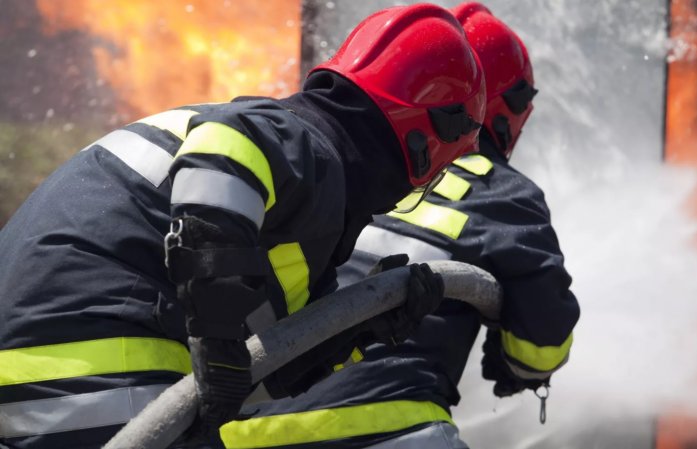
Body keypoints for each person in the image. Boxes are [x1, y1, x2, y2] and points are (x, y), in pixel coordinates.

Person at [0, 4, 486, 448]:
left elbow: (257, 374)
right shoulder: (301, 142)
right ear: (428, 141)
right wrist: (215, 337)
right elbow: (225, 152)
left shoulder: (291, 204)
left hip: (39, 382)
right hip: (92, 375)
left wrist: (362, 327)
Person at [219, 3, 580, 449]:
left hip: (231, 429)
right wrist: (515, 360)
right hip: (387, 431)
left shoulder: (330, 167)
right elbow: (541, 345)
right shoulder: (499, 192)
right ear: (506, 107)